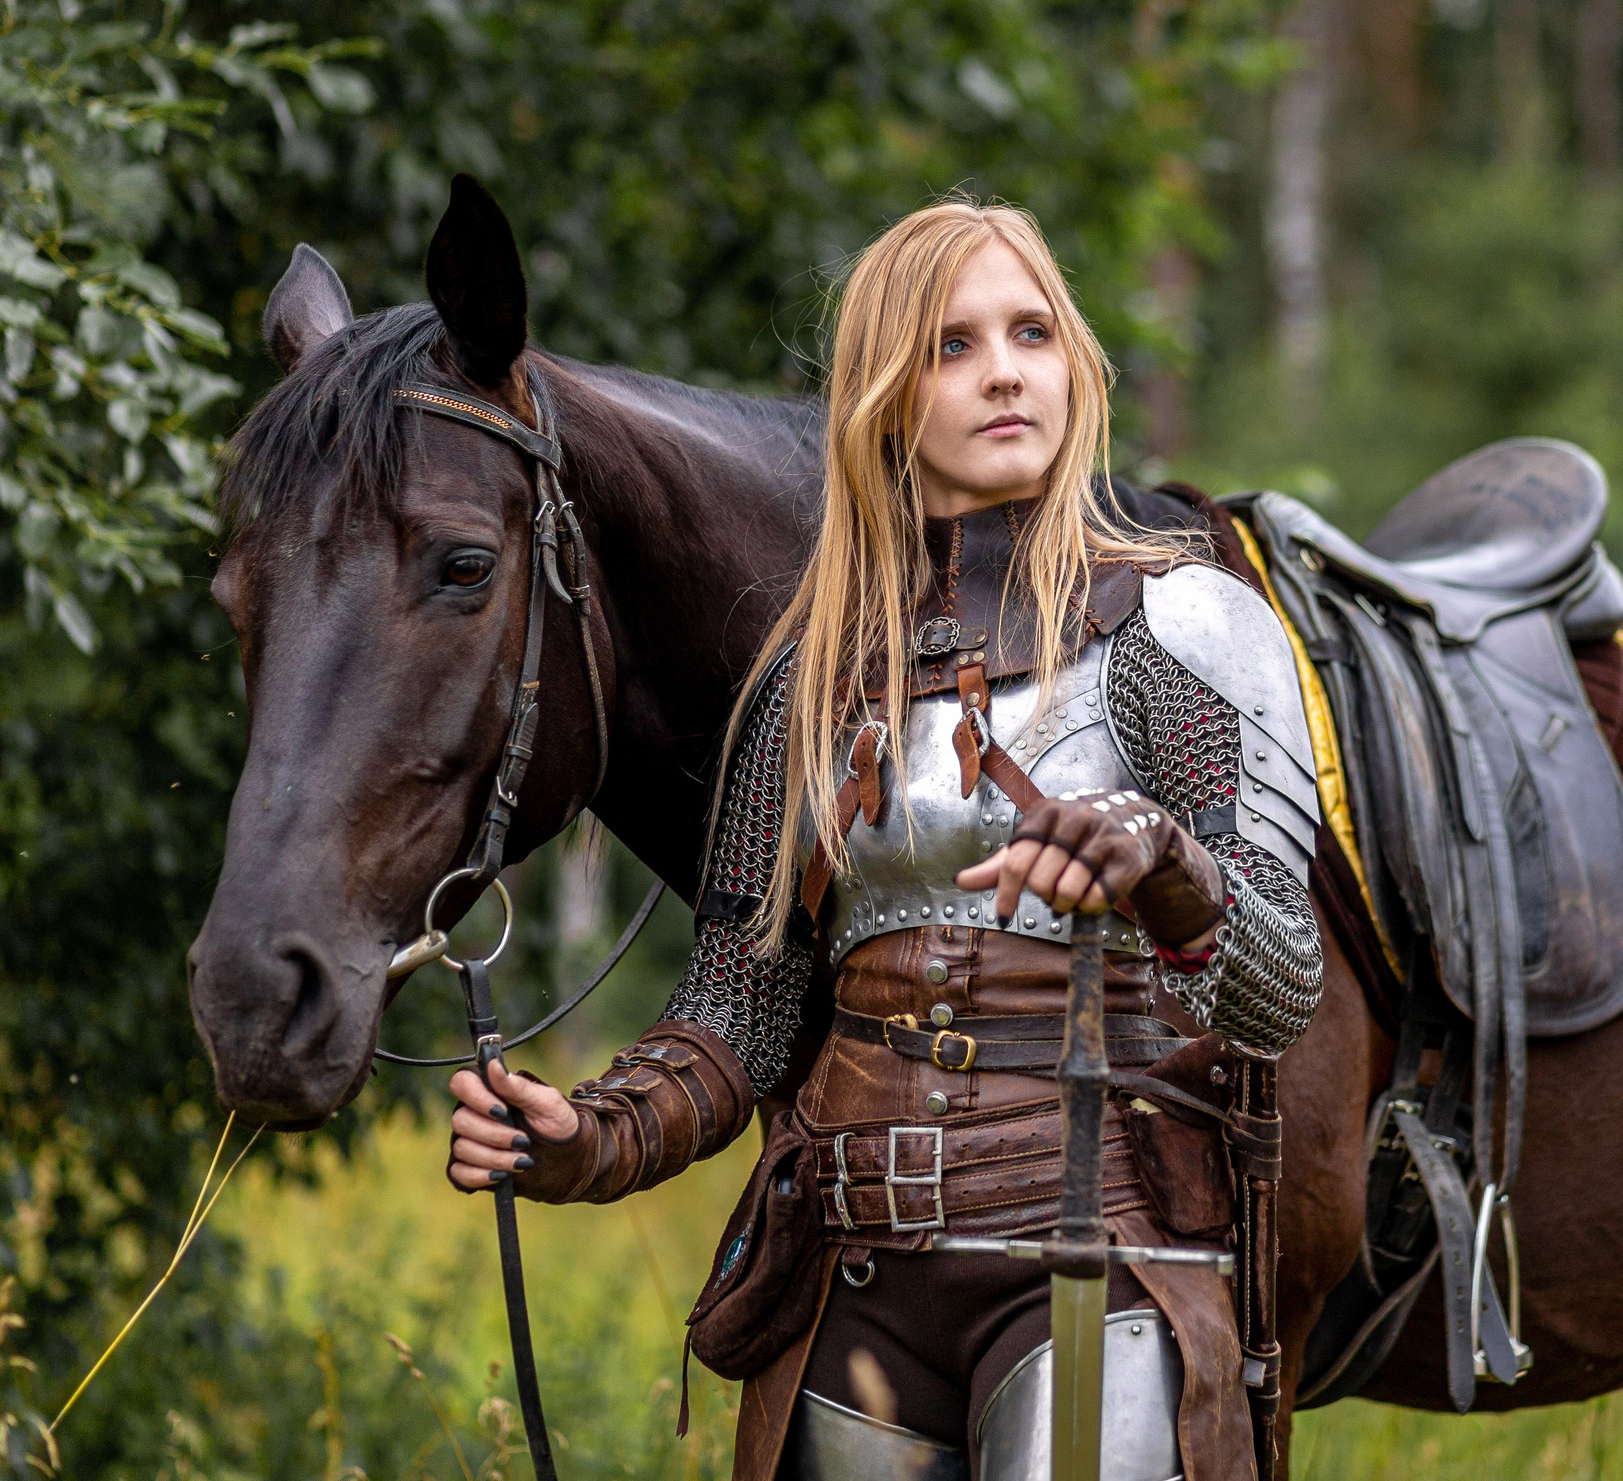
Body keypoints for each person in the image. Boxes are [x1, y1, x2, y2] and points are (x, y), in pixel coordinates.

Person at [442, 200, 1325, 1481]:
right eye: (953, 346)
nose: (1006, 370)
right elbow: (739, 1012)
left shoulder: (1185, 626)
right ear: (886, 400)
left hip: (1097, 1270)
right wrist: (585, 1140)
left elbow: (1282, 988)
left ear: (1074, 363)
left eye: (1031, 332)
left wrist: (1161, 862)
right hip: (851, 1284)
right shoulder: (811, 679)